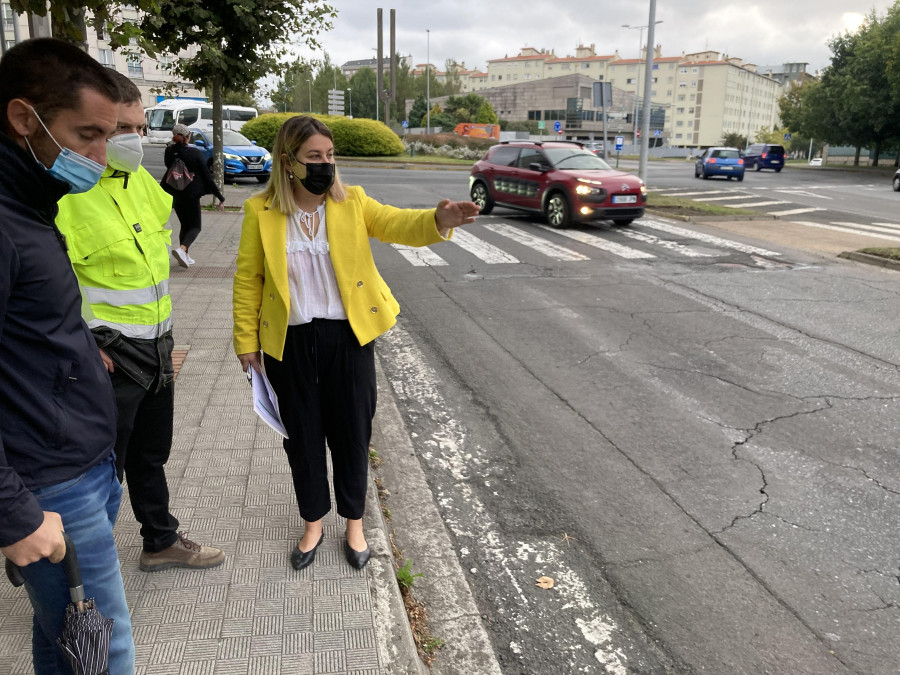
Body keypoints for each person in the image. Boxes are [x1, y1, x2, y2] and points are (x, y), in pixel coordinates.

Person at [233, 116, 479, 571]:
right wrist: (246, 342)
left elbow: (398, 225)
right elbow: (249, 279)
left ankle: (354, 522)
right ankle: (312, 523)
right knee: (302, 439)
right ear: (288, 162)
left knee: (352, 435)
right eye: (314, 157)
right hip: (288, 344)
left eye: (329, 156)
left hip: (348, 339)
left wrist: (438, 220)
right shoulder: (260, 212)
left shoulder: (352, 203)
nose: (325, 165)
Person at [0, 38, 135, 674]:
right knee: (106, 652)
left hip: (81, 466)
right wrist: (14, 512)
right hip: (48, 486)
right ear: (24, 119)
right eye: (87, 135)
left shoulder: (32, 205)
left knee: (67, 641)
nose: (101, 158)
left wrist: (82, 356)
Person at [56, 71, 225, 574]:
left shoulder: (143, 187)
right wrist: (86, 346)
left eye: (134, 127)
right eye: (113, 130)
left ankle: (160, 540)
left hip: (155, 348)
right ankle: (77, 570)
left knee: (150, 454)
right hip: (103, 357)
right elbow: (46, 289)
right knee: (98, 470)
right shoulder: (64, 194)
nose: (126, 140)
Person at [163, 122, 225, 267]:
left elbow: (168, 167)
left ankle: (185, 256)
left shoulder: (169, 151)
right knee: (195, 226)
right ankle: (182, 249)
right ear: (187, 136)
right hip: (191, 194)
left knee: (185, 224)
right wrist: (219, 197)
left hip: (174, 193)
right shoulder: (194, 152)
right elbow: (207, 175)